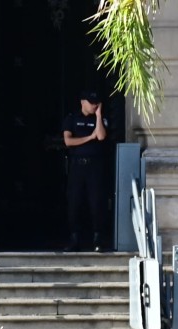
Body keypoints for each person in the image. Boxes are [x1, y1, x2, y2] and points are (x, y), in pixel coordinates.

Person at [62, 91, 110, 252]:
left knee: (96, 202)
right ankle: (74, 238)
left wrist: (98, 116)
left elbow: (101, 136)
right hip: (77, 166)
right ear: (82, 102)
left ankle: (97, 239)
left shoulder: (99, 119)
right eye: (91, 102)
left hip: (94, 167)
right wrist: (89, 137)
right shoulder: (72, 119)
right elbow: (68, 141)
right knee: (74, 202)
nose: (94, 105)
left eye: (96, 102)